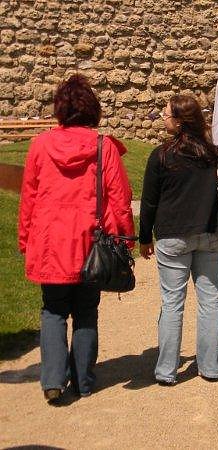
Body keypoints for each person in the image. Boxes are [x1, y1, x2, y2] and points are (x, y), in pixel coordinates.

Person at [18, 74, 135, 404]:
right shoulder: (104, 147)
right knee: (86, 311)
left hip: (50, 242)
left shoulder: (40, 145)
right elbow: (119, 197)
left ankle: (53, 379)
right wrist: (124, 240)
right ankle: (83, 379)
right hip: (90, 243)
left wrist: (25, 237)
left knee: (53, 311)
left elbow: (30, 197)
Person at [139, 94, 218, 385]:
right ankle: (210, 367)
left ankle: (167, 371)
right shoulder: (215, 155)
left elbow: (149, 203)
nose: (163, 117)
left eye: (166, 114)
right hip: (211, 233)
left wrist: (144, 238)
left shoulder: (162, 155)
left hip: (174, 235)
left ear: (179, 122)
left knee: (172, 303)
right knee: (209, 300)